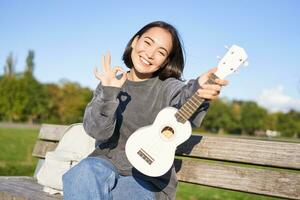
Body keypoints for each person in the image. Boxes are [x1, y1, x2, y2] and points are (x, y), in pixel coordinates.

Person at [62, 21, 228, 200]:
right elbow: (98, 132)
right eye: (148, 43)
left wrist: (199, 87)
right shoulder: (111, 81)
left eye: (161, 52)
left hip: (145, 177)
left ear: (166, 61)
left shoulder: (168, 87)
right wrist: (109, 93)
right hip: (104, 164)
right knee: (81, 173)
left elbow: (184, 97)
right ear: (135, 41)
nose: (150, 54)